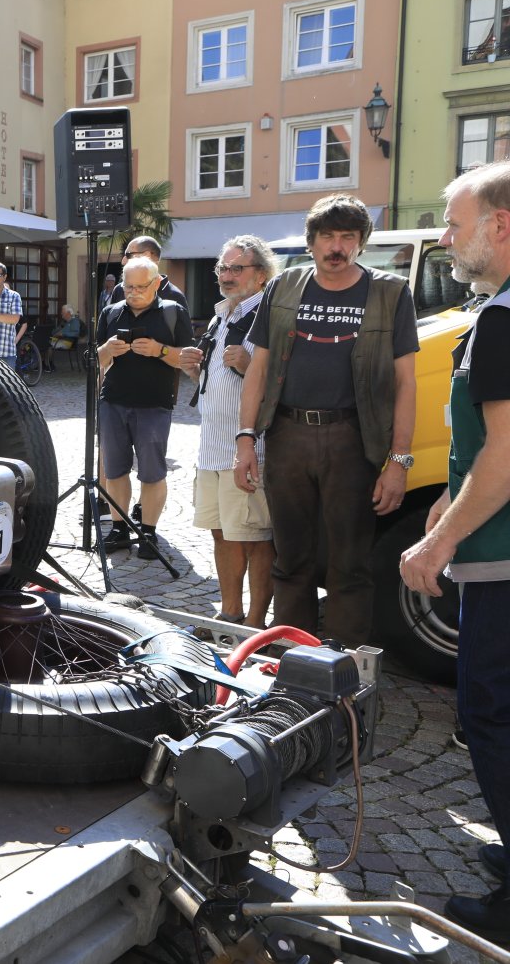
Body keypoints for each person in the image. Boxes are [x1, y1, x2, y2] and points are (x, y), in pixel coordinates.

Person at [398, 161, 510, 940]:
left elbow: (504, 457)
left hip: (501, 560)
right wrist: (447, 496)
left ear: (501, 226)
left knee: (490, 712)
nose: (444, 238)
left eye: (454, 222)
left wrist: (437, 540)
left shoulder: (501, 321)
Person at [234, 195, 418, 647]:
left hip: (353, 439)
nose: (337, 247)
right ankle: (291, 656)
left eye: (347, 237)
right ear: (311, 242)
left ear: (361, 242)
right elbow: (259, 368)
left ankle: (343, 662)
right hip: (287, 435)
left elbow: (405, 383)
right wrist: (245, 439)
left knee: (350, 562)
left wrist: (398, 462)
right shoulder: (284, 286)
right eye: (328, 237)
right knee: (290, 557)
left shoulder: (390, 293)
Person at [179, 236, 278, 626]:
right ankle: (230, 614)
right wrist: (195, 371)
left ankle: (255, 622)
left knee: (255, 537)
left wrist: (249, 365)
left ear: (261, 275)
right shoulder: (222, 315)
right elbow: (219, 383)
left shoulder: (268, 315)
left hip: (250, 448)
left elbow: (284, 383)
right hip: (212, 448)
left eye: (238, 268)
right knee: (221, 532)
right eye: (223, 267)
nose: (227, 275)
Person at [98, 257, 193, 558]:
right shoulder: (111, 312)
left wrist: (159, 350)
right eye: (129, 287)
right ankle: (119, 528)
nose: (134, 292)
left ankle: (148, 532)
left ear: (156, 283)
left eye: (141, 287)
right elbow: (94, 361)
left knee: (152, 472)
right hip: (113, 402)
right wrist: (106, 350)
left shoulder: (172, 312)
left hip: (154, 404)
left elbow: (189, 360)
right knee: (115, 470)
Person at [109, 237, 186, 306]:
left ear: (146, 255)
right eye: (129, 287)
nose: (123, 261)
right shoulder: (119, 290)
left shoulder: (175, 296)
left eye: (128, 255)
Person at [44, 306, 83, 372]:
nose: (61, 314)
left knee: (48, 345)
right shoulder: (64, 322)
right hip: (60, 340)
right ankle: (44, 364)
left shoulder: (75, 321)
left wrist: (63, 334)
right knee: (43, 343)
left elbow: (76, 333)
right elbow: (54, 332)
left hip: (68, 342)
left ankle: (50, 365)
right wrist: (57, 330)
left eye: (63, 312)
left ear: (68, 313)